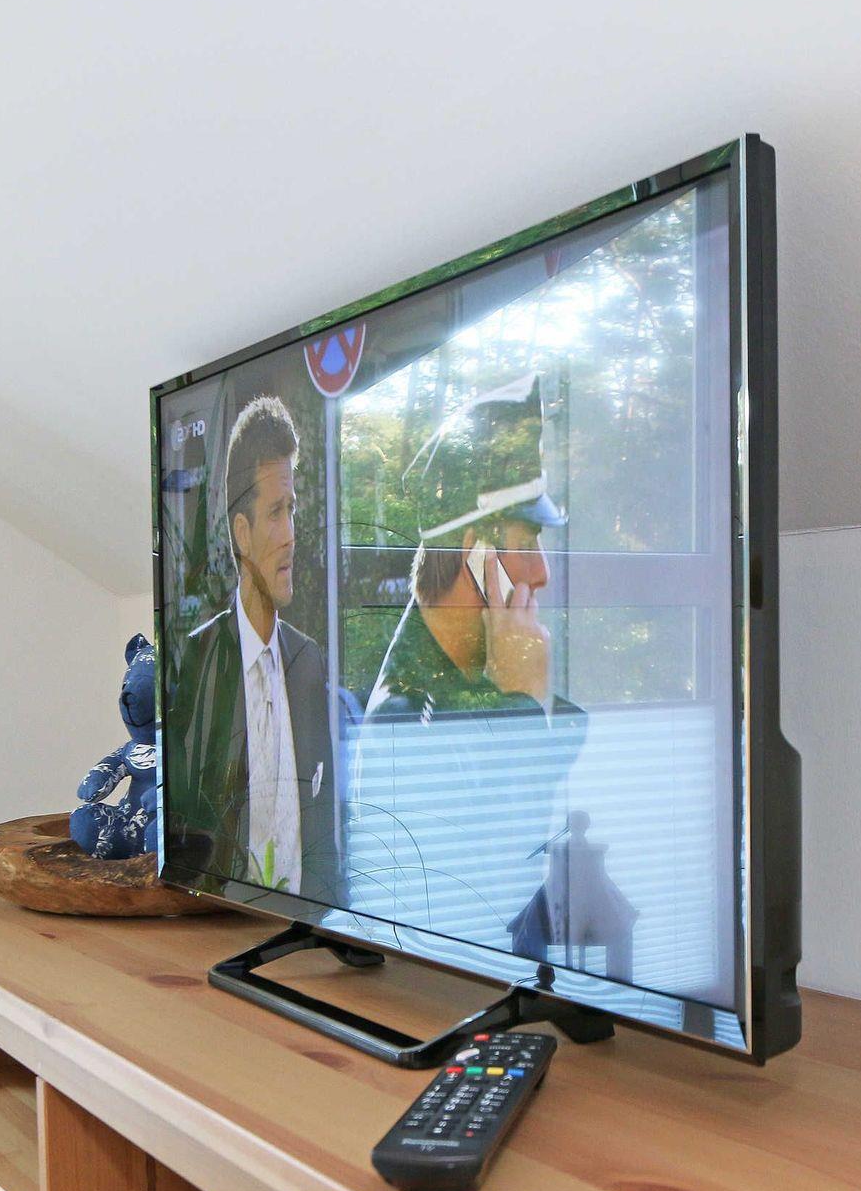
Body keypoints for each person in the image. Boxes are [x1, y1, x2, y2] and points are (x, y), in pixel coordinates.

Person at [345, 373, 587, 957]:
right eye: (525, 545)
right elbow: (493, 900)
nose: (542, 573)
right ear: (475, 552)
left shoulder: (471, 679)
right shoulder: (407, 719)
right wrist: (523, 702)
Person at [165, 394, 341, 903]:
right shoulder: (197, 660)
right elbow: (186, 834)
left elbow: (325, 833)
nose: (290, 535)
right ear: (242, 533)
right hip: (218, 927)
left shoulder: (308, 662)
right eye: (275, 513)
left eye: (293, 511)